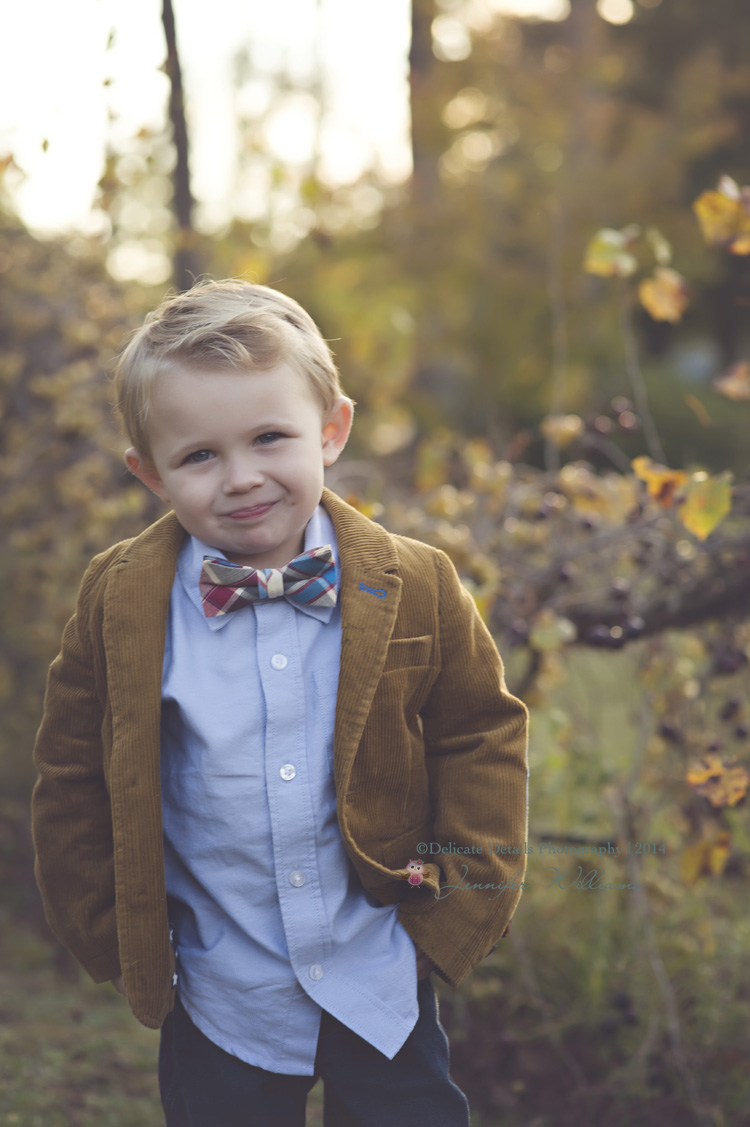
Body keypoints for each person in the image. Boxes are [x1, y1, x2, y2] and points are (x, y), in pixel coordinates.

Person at [31, 279, 529, 1127]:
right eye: (199, 456)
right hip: (225, 989)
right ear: (149, 472)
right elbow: (72, 768)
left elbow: (480, 733)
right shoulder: (121, 601)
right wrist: (111, 929)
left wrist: (456, 905)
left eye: (270, 438)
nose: (242, 479)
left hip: (381, 969)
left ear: (331, 430)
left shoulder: (417, 582)